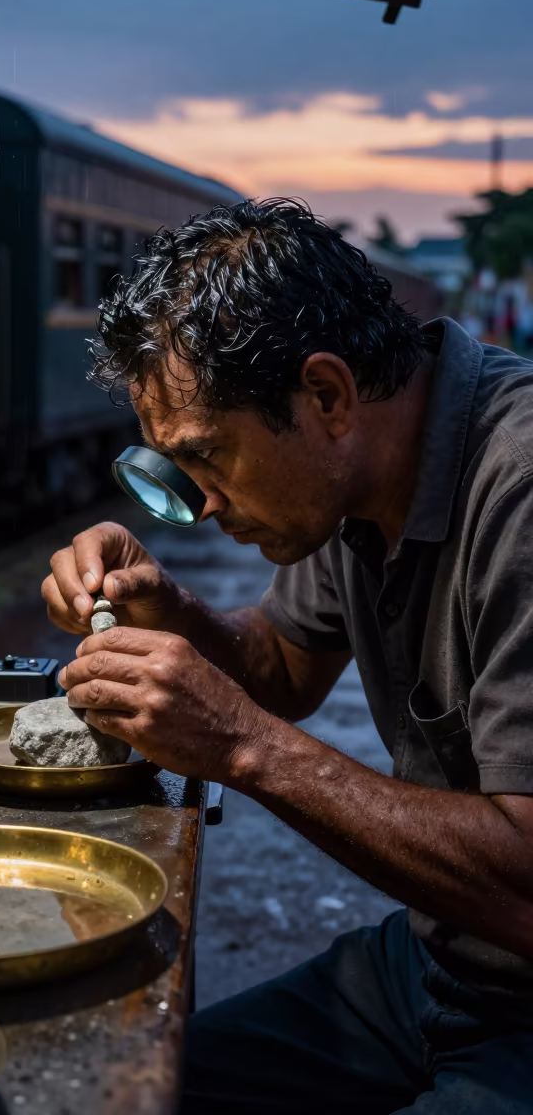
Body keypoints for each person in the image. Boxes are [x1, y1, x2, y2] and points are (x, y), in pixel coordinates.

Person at [41, 200, 533, 1114]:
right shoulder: (355, 481)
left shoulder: (520, 487)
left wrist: (240, 747)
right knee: (125, 1092)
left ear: (329, 396)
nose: (208, 507)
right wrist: (169, 607)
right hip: (443, 959)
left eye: (211, 459)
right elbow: (277, 668)